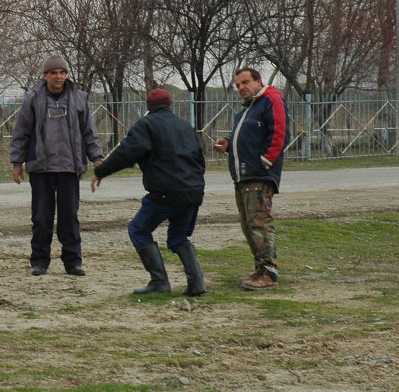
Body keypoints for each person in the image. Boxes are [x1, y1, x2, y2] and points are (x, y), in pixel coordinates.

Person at [90, 89, 206, 296]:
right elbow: (200, 159)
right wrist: (194, 184)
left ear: (148, 106)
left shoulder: (146, 125)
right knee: (179, 236)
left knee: (138, 229)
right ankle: (196, 283)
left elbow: (127, 153)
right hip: (193, 190)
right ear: (170, 103)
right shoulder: (186, 126)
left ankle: (159, 281)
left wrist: (101, 171)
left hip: (165, 191)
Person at [10, 54, 104, 277]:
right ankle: (39, 262)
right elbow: (21, 132)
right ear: (45, 76)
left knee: (69, 217)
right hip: (40, 168)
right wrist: (17, 162)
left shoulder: (79, 98)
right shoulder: (33, 98)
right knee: (41, 218)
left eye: (62, 72)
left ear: (66, 75)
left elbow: (89, 132)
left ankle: (73, 262)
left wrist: (97, 158)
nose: (59, 76)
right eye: (54, 73)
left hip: (69, 168)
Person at [213, 67, 289, 291]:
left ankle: (269, 273)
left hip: (258, 174)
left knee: (259, 223)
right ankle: (260, 269)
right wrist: (228, 144)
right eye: (237, 85)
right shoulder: (248, 109)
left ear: (258, 81)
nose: (241, 88)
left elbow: (280, 132)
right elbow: (247, 138)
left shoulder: (271, 100)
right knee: (249, 225)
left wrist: (266, 160)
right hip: (244, 176)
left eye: (245, 82)